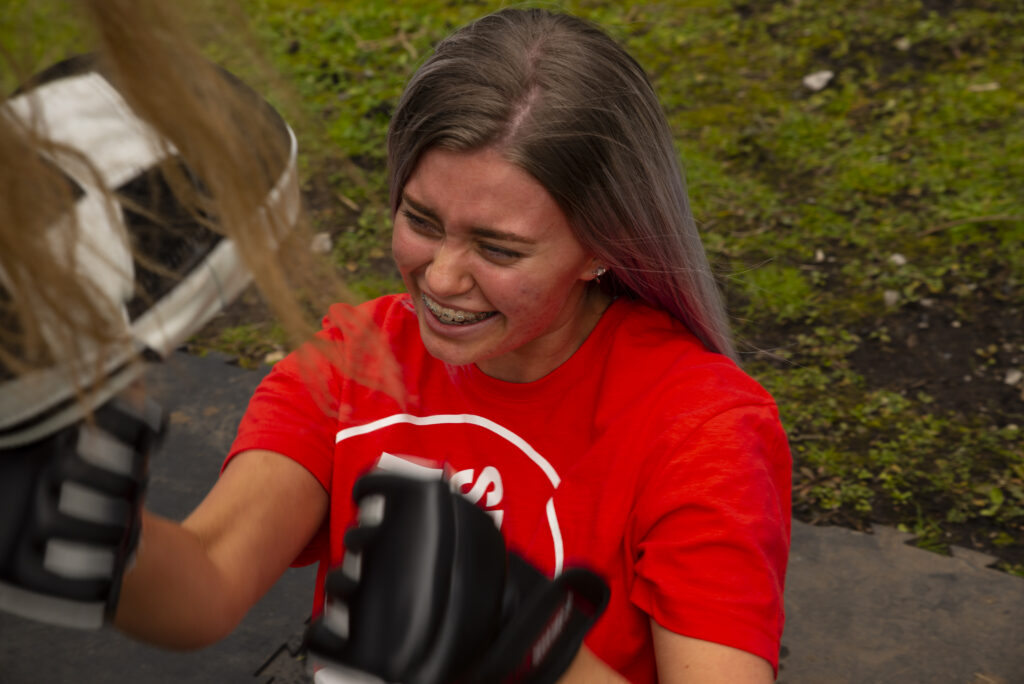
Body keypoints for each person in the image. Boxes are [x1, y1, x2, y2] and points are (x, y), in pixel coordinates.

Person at [4, 5, 790, 683]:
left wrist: (524, 643)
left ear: (602, 248)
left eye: (500, 249)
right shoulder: (358, 355)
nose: (442, 278)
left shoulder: (702, 428)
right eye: (420, 221)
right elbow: (209, 581)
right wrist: (96, 533)